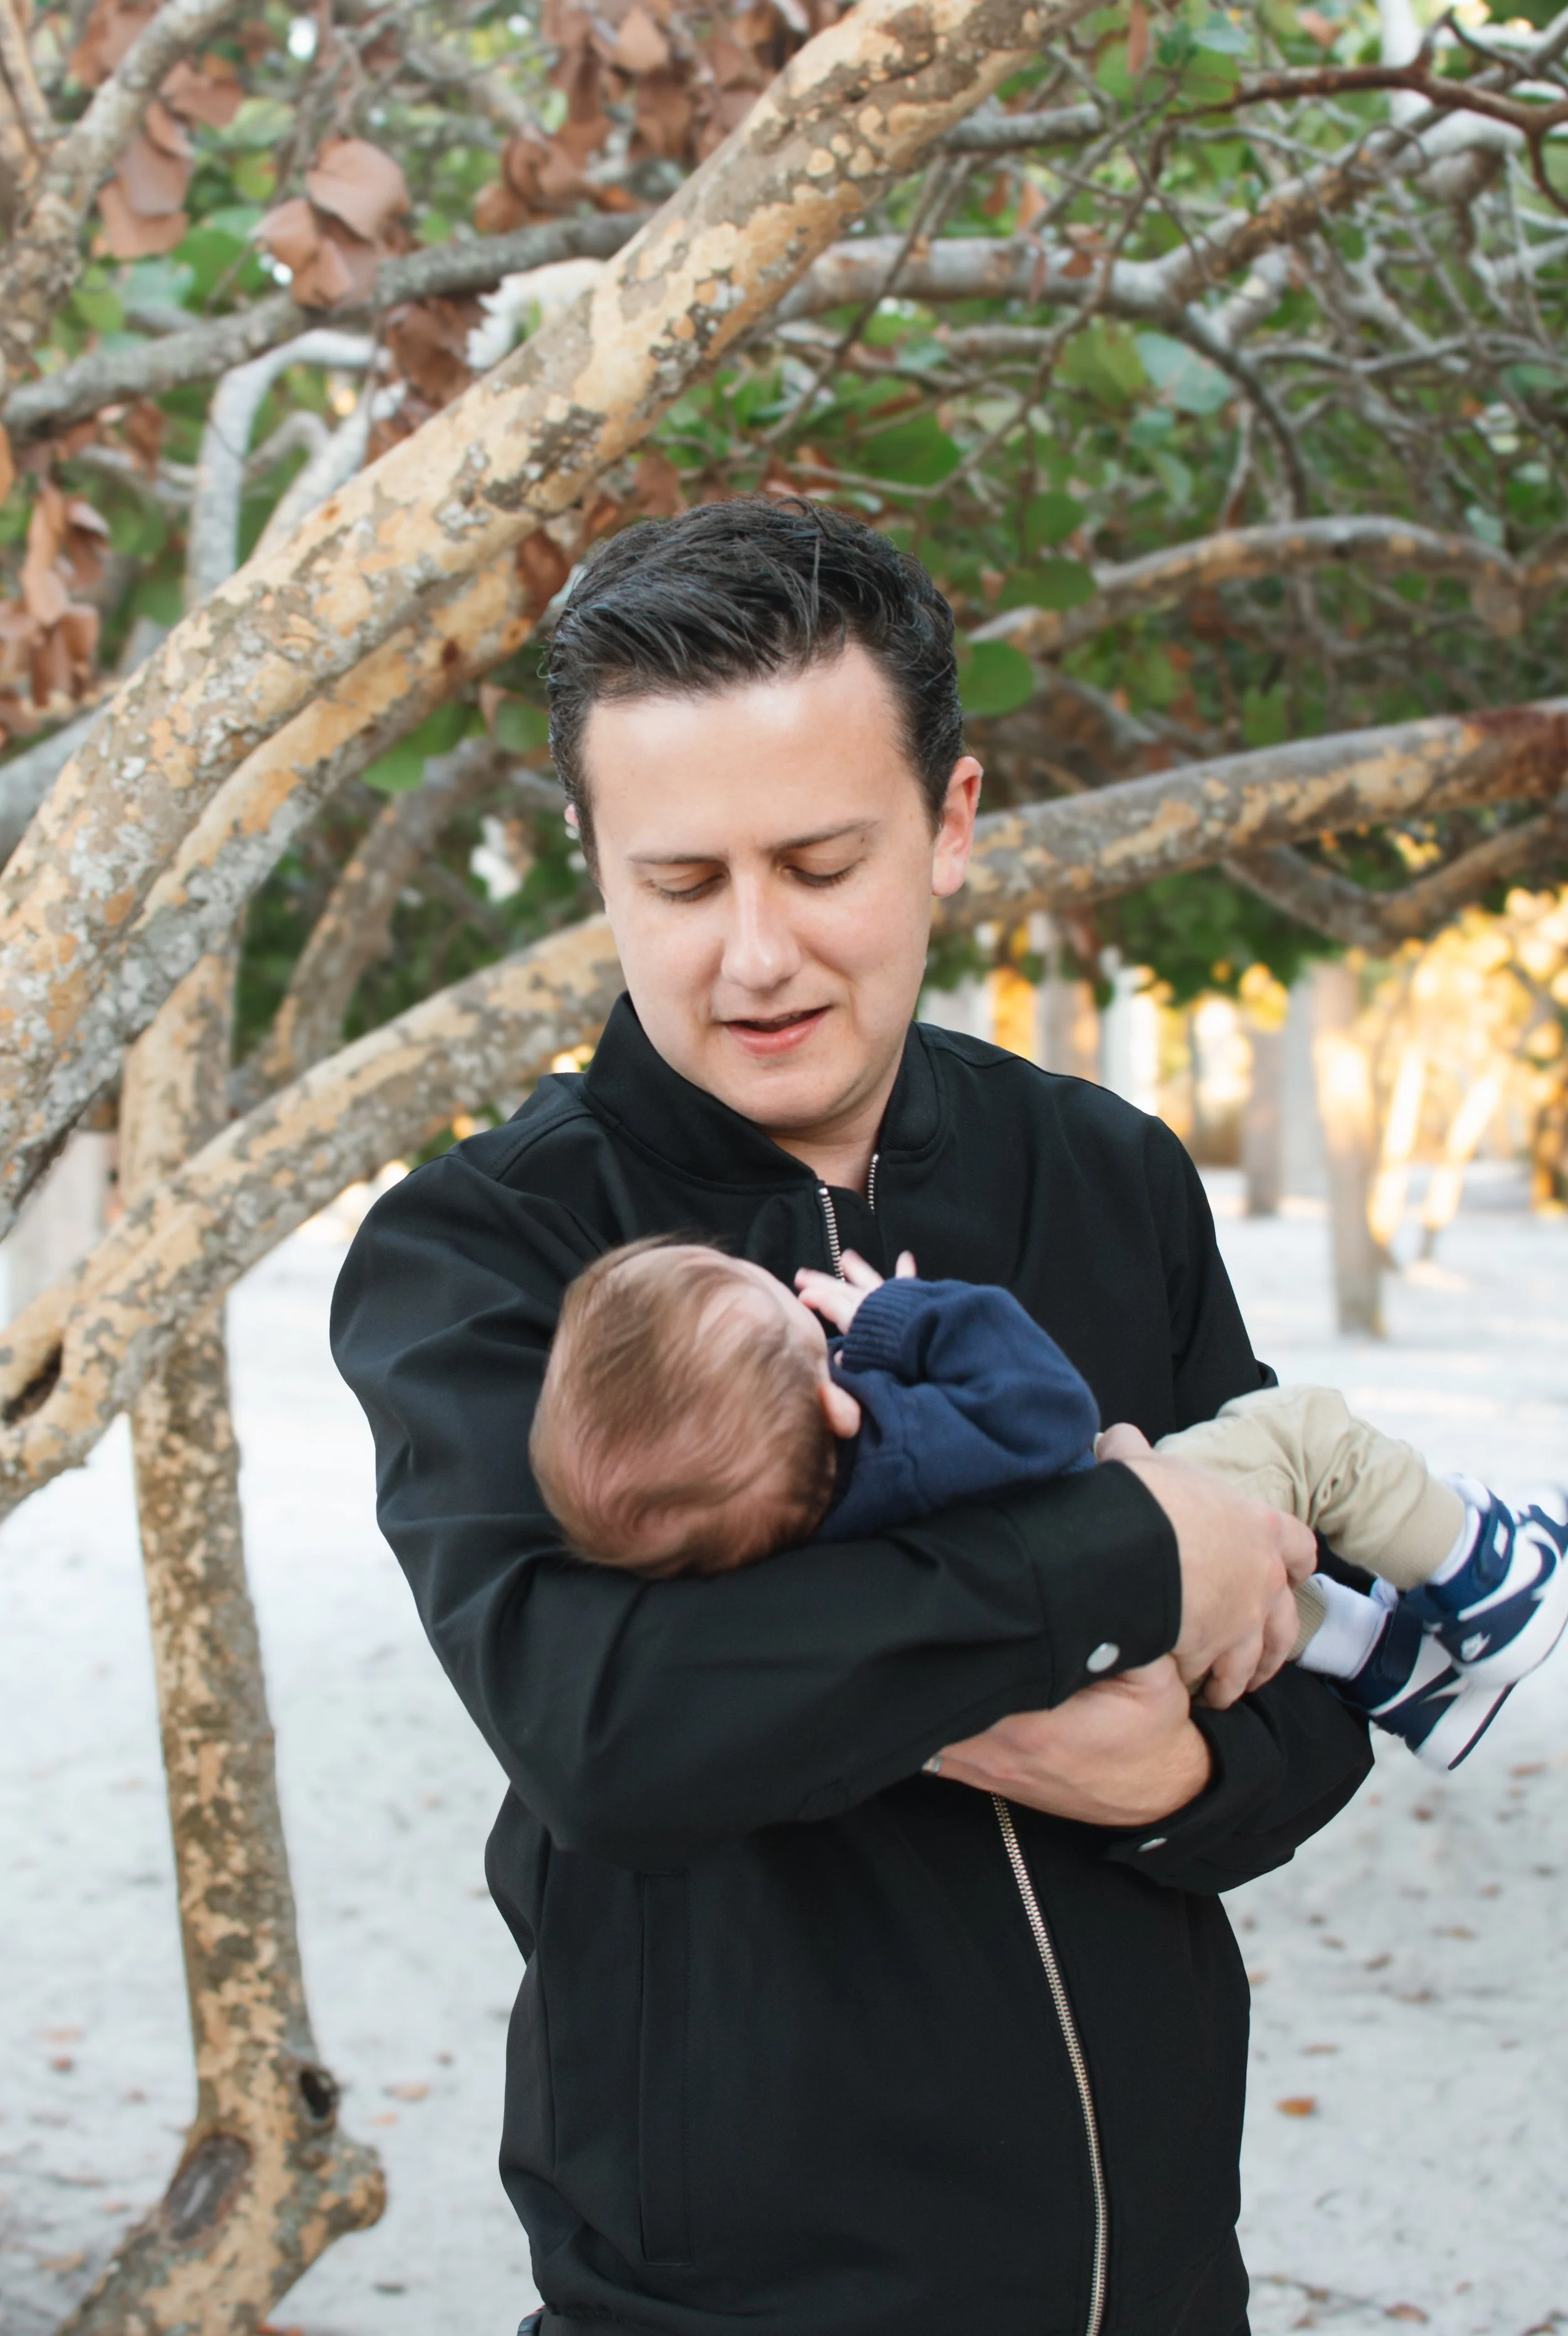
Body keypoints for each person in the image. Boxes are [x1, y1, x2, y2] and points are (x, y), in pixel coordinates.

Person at [332, 497, 1370, 2336]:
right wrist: (1129, 1553)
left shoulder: (1106, 1173)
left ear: (952, 823)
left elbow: (1317, 1669)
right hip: (711, 2301)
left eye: (819, 863)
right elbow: (616, 1723)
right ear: (591, 860)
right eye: (679, 881)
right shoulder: (482, 1245)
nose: (754, 956)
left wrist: (1186, 1780)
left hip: (1155, 2283)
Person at [528, 1234, 1568, 1772]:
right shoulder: (904, 1448)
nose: (821, 1313)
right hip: (1133, 1552)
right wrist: (901, 1317)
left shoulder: (806, 1539)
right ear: (831, 1409)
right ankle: (1487, 1575)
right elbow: (1045, 1405)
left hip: (1100, 1640)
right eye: (799, 1320)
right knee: (1307, 1434)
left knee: (1263, 1579)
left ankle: (1405, 1678)